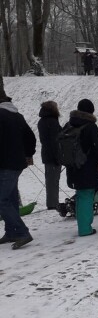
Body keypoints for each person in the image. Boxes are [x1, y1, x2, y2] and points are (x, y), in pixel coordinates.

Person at [63, 99, 98, 237]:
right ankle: (85, 228)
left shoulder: (69, 125)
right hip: (86, 167)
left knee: (81, 195)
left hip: (72, 167)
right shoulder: (90, 126)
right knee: (87, 196)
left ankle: (82, 225)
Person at [0, 94, 37, 249]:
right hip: (16, 163)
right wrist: (28, 154)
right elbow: (31, 138)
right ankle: (11, 232)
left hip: (5, 163)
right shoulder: (18, 116)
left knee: (2, 200)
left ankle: (22, 232)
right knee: (11, 197)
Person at [37, 101, 62, 210]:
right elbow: (54, 141)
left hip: (47, 153)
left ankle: (53, 202)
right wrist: (58, 157)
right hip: (52, 155)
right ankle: (52, 204)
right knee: (53, 180)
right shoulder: (52, 121)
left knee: (51, 180)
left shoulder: (43, 121)